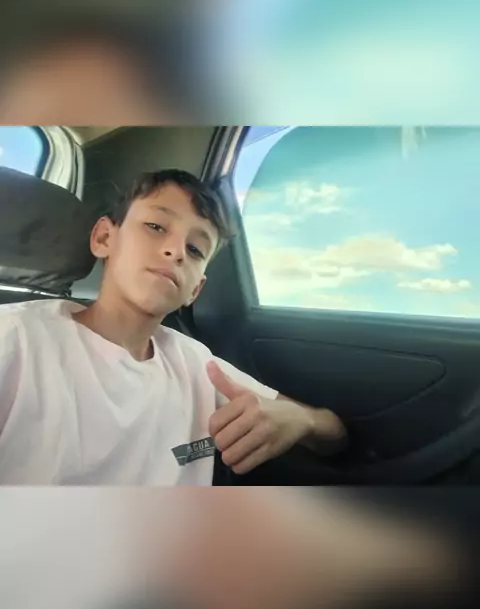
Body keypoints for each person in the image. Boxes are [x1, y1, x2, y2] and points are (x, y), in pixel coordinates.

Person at [0, 169, 346, 484]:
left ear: (195, 290)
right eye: (156, 227)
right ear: (104, 237)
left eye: (195, 249)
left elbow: (333, 431)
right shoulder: (16, 339)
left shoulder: (197, 364)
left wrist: (299, 421)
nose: (176, 251)